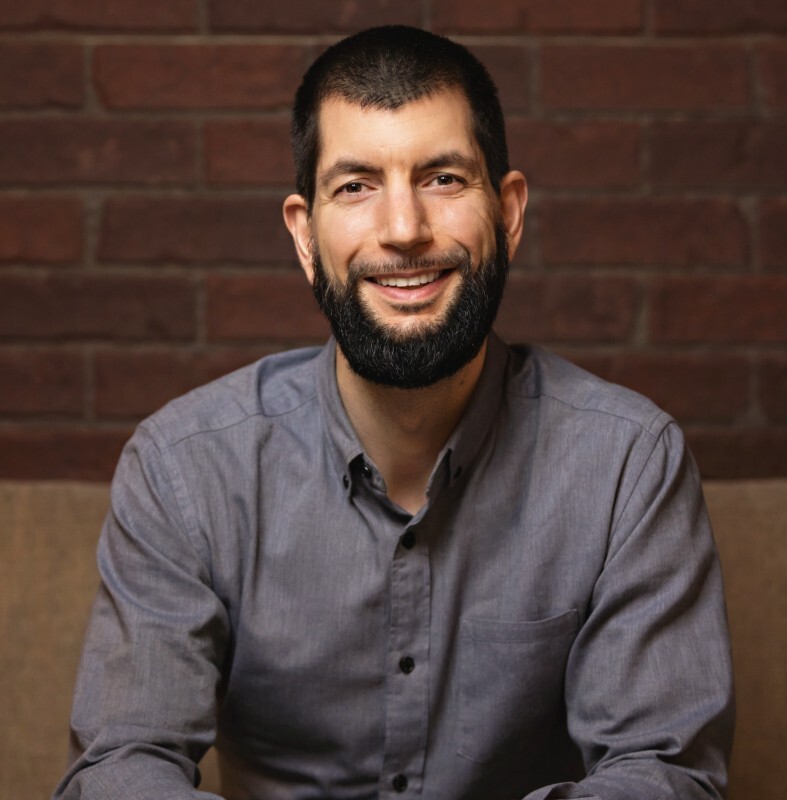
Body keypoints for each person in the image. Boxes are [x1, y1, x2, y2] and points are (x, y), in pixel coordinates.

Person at [54, 25, 734, 800]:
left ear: (508, 212)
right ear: (306, 237)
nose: (404, 229)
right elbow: (120, 768)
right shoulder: (184, 469)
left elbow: (663, 773)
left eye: (443, 178)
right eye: (355, 186)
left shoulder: (627, 466)